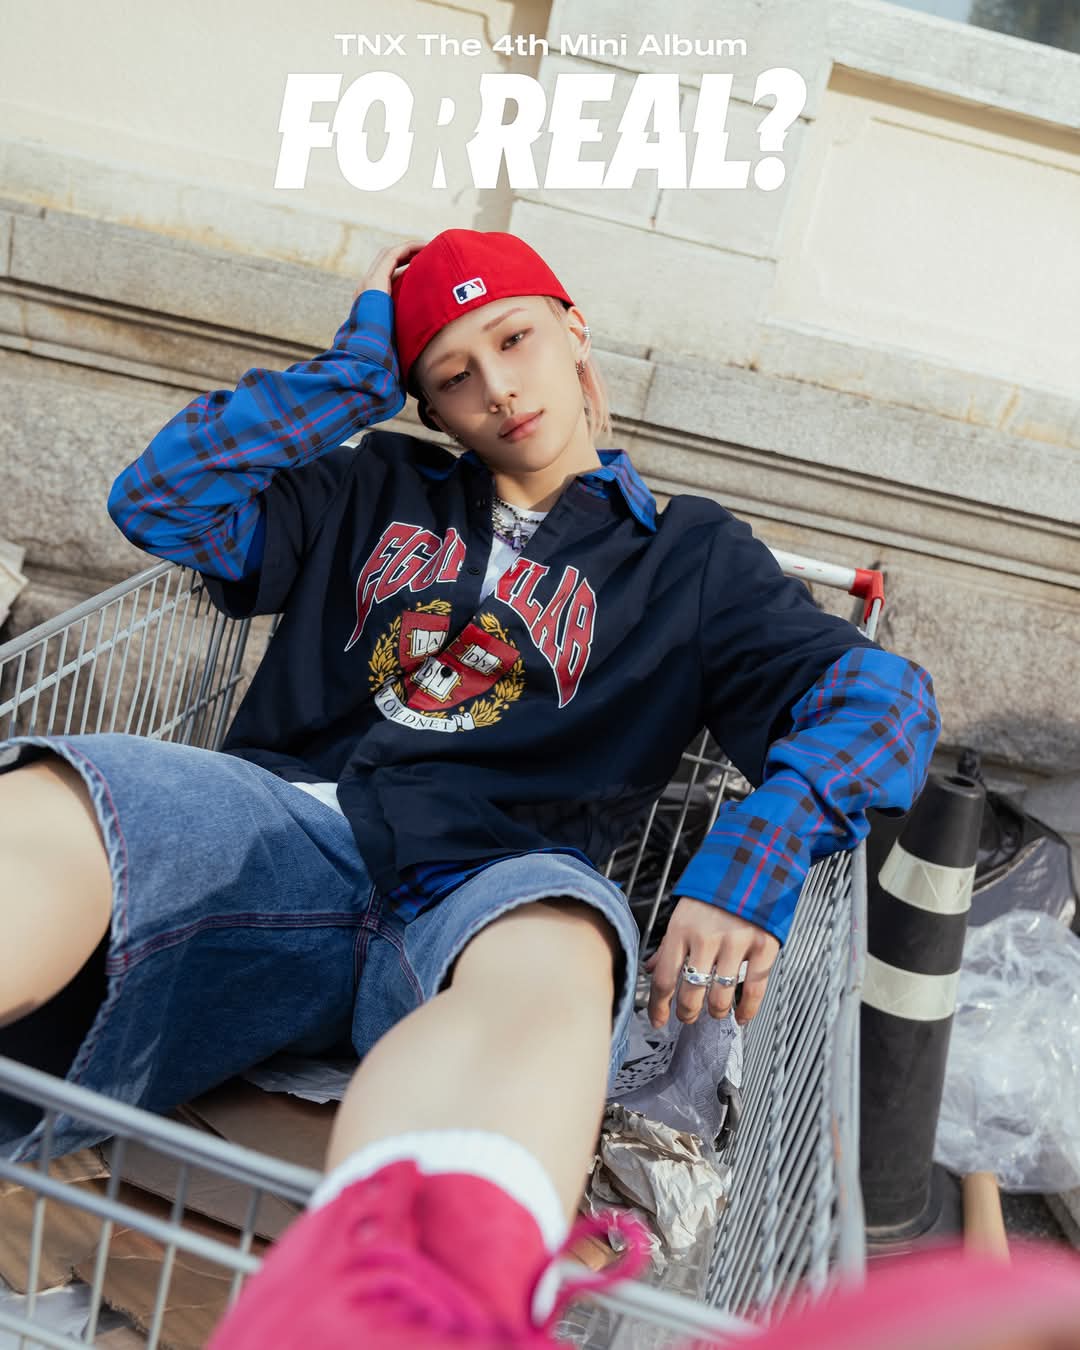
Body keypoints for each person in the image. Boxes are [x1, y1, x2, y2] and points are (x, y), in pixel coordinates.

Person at [0, 229, 940, 1346]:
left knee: (565, 946)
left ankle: (404, 1312)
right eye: (451, 373)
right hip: (284, 824)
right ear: (429, 405)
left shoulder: (691, 559)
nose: (497, 385)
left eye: (515, 338)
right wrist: (354, 376)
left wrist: (756, 851)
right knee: (80, 794)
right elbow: (162, 501)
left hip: (494, 877)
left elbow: (883, 700)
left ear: (573, 330)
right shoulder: (369, 486)